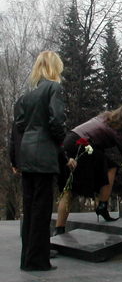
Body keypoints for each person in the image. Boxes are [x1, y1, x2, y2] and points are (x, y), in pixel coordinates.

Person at [16, 51, 75, 272]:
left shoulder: (28, 93)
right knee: (41, 209)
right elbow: (57, 121)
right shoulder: (53, 88)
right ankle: (38, 261)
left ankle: (27, 259)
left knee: (30, 207)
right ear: (54, 67)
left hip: (27, 154)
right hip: (44, 155)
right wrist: (59, 141)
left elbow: (20, 124)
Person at [55, 104, 122, 234]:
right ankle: (102, 206)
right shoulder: (116, 130)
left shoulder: (105, 118)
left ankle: (59, 229)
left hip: (69, 142)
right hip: (81, 146)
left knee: (70, 188)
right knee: (109, 169)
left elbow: (117, 140)